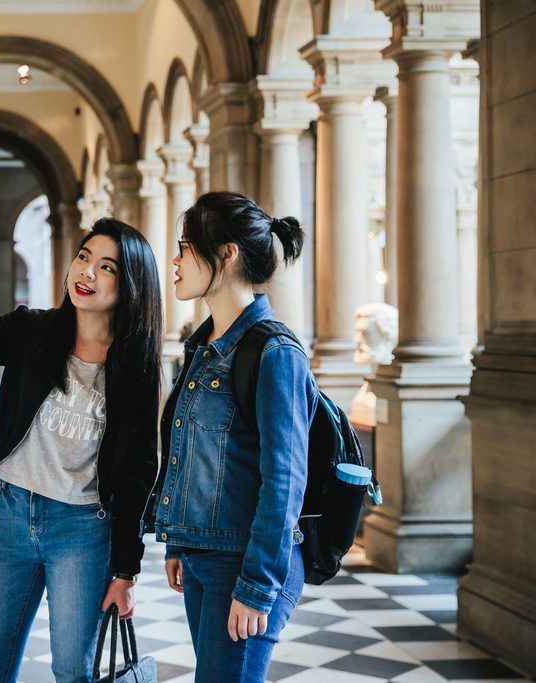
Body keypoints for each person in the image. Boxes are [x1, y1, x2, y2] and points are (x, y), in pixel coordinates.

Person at [0, 217, 163, 683]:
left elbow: (139, 471)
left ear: (131, 284)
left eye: (107, 267)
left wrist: (126, 571)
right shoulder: (31, 331)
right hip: (11, 515)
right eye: (83, 257)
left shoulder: (134, 366)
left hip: (82, 529)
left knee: (72, 672)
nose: (88, 273)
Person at [143, 191, 318, 683]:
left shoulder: (275, 352)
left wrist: (258, 586)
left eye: (185, 247)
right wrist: (179, 543)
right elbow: (194, 456)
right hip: (205, 556)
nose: (175, 261)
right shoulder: (204, 347)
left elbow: (284, 482)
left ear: (227, 253)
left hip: (245, 564)